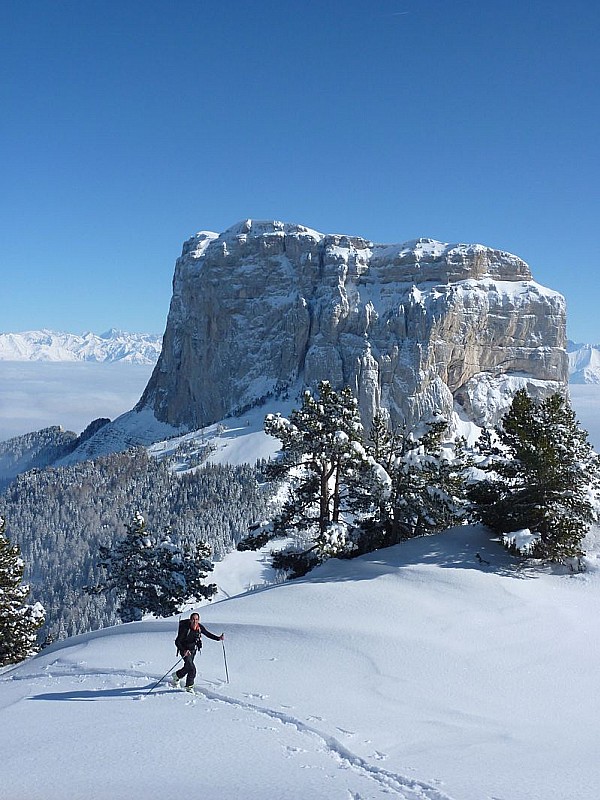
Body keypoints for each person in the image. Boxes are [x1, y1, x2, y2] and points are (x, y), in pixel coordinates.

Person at [171, 612, 224, 692]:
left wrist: (218, 638)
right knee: (192, 669)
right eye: (193, 619)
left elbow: (207, 634)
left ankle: (176, 675)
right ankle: (189, 687)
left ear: (198, 620)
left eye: (196, 619)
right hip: (184, 650)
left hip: (193, 650)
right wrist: (183, 650)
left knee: (188, 666)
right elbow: (177, 642)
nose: (195, 621)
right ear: (190, 620)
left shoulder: (199, 627)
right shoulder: (185, 629)